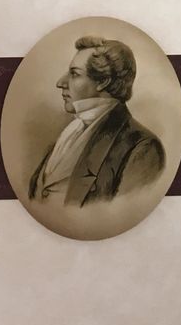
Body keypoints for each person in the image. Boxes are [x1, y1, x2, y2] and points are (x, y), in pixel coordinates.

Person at [28, 36, 166, 207]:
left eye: (74, 74)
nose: (60, 83)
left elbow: (123, 214)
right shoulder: (70, 131)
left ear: (103, 81)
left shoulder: (142, 147)